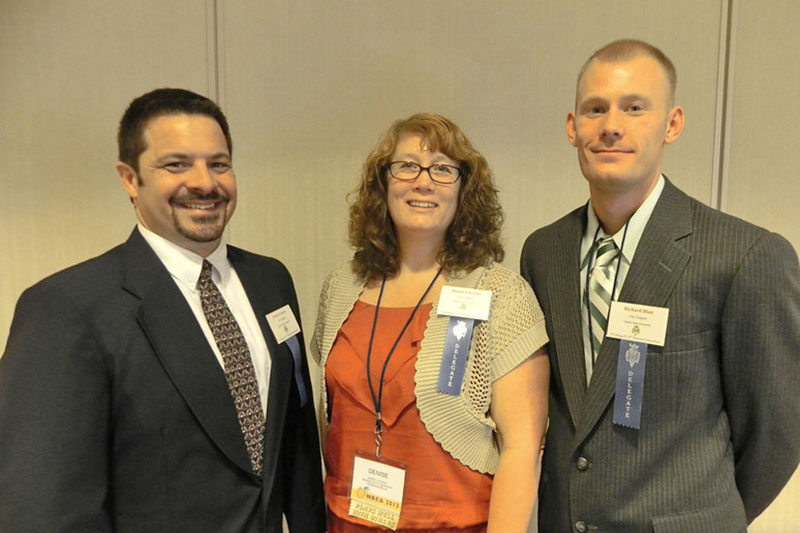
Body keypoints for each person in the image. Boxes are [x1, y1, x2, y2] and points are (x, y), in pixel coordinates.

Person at [0, 88, 325, 532]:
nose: (205, 183)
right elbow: (42, 507)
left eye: (219, 163)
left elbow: (294, 443)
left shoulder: (271, 282)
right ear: (130, 178)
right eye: (176, 164)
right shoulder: (66, 309)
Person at [520, 39, 800, 532]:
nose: (610, 126)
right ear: (572, 127)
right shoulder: (543, 252)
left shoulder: (745, 255)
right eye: (595, 109)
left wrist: (705, 518)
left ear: (672, 123)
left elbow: (777, 431)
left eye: (634, 108)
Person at [311, 113, 550, 532]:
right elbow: (332, 413)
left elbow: (521, 449)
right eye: (406, 166)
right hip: (347, 521)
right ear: (383, 183)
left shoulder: (502, 294)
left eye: (443, 169)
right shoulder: (342, 287)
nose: (423, 181)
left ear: (464, 189)